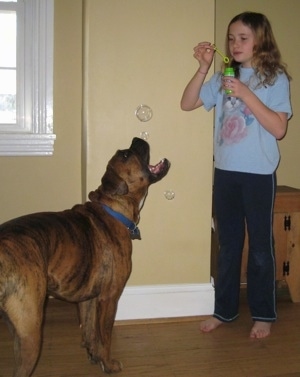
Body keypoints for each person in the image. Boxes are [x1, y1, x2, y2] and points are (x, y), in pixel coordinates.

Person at [181, 11, 292, 339]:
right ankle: (224, 310)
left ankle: (263, 314)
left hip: (259, 174)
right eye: (231, 38)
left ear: (261, 40)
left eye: (243, 37)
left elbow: (279, 128)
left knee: (260, 245)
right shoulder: (222, 77)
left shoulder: (275, 79)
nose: (235, 43)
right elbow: (187, 103)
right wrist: (203, 69)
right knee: (227, 245)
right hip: (225, 173)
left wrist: (245, 94)